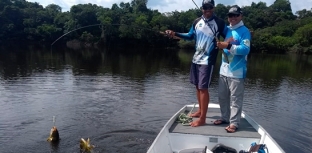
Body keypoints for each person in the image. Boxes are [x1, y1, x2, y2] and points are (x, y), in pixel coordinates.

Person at [165, 0, 227, 127]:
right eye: (205, 7)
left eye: (210, 7)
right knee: (198, 87)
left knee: (203, 88)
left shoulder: (220, 23)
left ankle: (203, 118)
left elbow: (229, 36)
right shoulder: (196, 22)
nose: (207, 9)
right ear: (201, 8)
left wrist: (228, 43)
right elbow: (189, 36)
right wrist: (174, 33)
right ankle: (199, 111)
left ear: (213, 8)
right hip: (196, 59)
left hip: (208, 60)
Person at [214, 5, 251, 133]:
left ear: (241, 16)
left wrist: (228, 45)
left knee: (235, 99)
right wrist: (220, 45)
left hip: (237, 72)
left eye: (236, 15)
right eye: (230, 15)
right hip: (223, 70)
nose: (233, 18)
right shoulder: (227, 29)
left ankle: (234, 123)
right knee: (222, 97)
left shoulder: (244, 31)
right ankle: (225, 118)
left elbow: (246, 49)